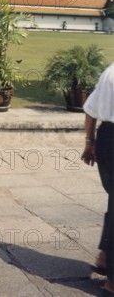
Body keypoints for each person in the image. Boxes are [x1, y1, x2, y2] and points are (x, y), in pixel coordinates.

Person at [81, 62, 114, 295]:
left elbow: (90, 110)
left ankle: (104, 257)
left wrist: (90, 142)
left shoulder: (110, 71)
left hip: (106, 138)